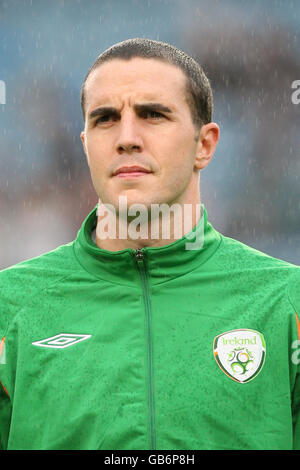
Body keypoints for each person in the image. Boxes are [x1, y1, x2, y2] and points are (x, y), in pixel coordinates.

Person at [0, 38, 299, 451]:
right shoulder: (9, 306)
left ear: (204, 144)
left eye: (153, 114)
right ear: (86, 146)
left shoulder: (287, 303)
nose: (126, 138)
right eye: (105, 119)